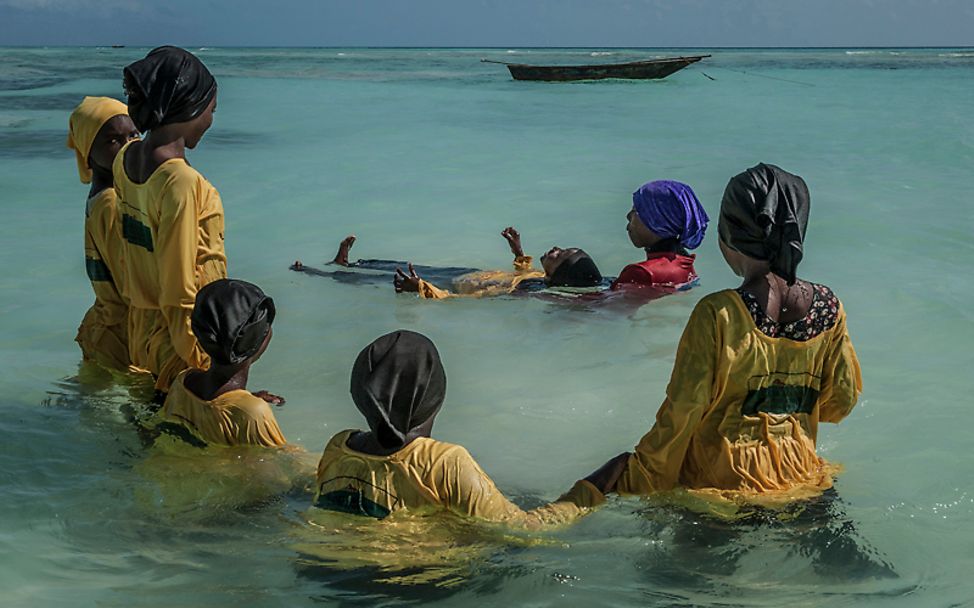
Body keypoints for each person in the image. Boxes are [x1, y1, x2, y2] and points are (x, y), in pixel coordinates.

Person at [600, 163, 862, 506]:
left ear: (730, 234)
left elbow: (682, 414)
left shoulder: (718, 312)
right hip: (803, 479)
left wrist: (642, 479)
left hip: (721, 487)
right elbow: (839, 404)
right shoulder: (829, 306)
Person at [313, 330, 628, 526]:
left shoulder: (339, 446)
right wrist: (593, 487)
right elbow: (526, 531)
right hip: (411, 585)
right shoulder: (445, 462)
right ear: (436, 393)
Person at [115, 46, 227, 394]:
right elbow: (180, 290)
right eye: (211, 110)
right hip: (181, 338)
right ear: (190, 107)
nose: (211, 120)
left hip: (142, 327)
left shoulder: (125, 159)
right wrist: (206, 367)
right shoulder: (181, 182)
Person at [155, 279, 286, 448]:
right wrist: (247, 407)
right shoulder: (254, 413)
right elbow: (284, 462)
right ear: (256, 341)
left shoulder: (183, 382)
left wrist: (244, 400)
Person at [66, 97, 141, 371]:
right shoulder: (111, 203)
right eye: (113, 141)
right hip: (120, 335)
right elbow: (129, 283)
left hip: (107, 326)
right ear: (88, 152)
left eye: (134, 134)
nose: (128, 146)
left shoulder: (105, 196)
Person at [611, 180, 709, 291]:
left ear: (655, 220)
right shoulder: (685, 263)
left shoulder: (642, 273)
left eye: (635, 210)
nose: (628, 216)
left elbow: (601, 306)